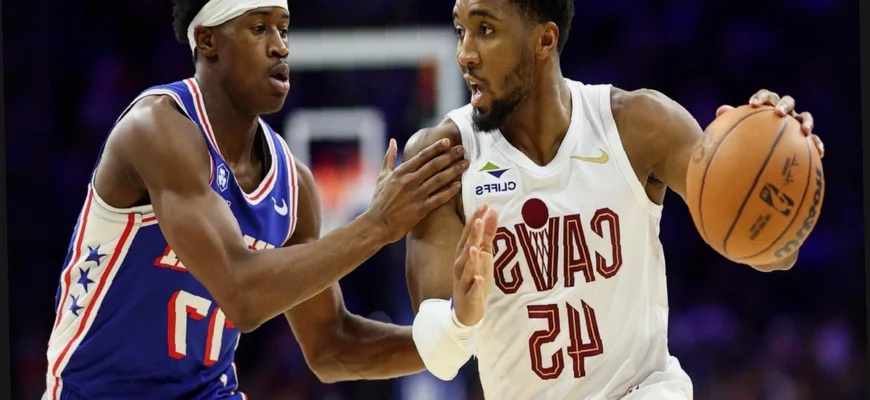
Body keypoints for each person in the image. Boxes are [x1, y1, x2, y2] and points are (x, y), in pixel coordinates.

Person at [42, 1, 472, 399]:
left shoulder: (294, 184)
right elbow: (242, 295)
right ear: (207, 40)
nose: (280, 46)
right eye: (259, 28)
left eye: (283, 29)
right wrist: (378, 224)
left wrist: (458, 336)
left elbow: (332, 346)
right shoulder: (156, 129)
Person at [405, 0, 825, 399]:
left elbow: (774, 254)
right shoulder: (443, 157)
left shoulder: (638, 125)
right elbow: (440, 357)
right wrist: (460, 317)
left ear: (545, 40)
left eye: (484, 29)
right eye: (460, 31)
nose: (465, 54)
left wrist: (776, 162)